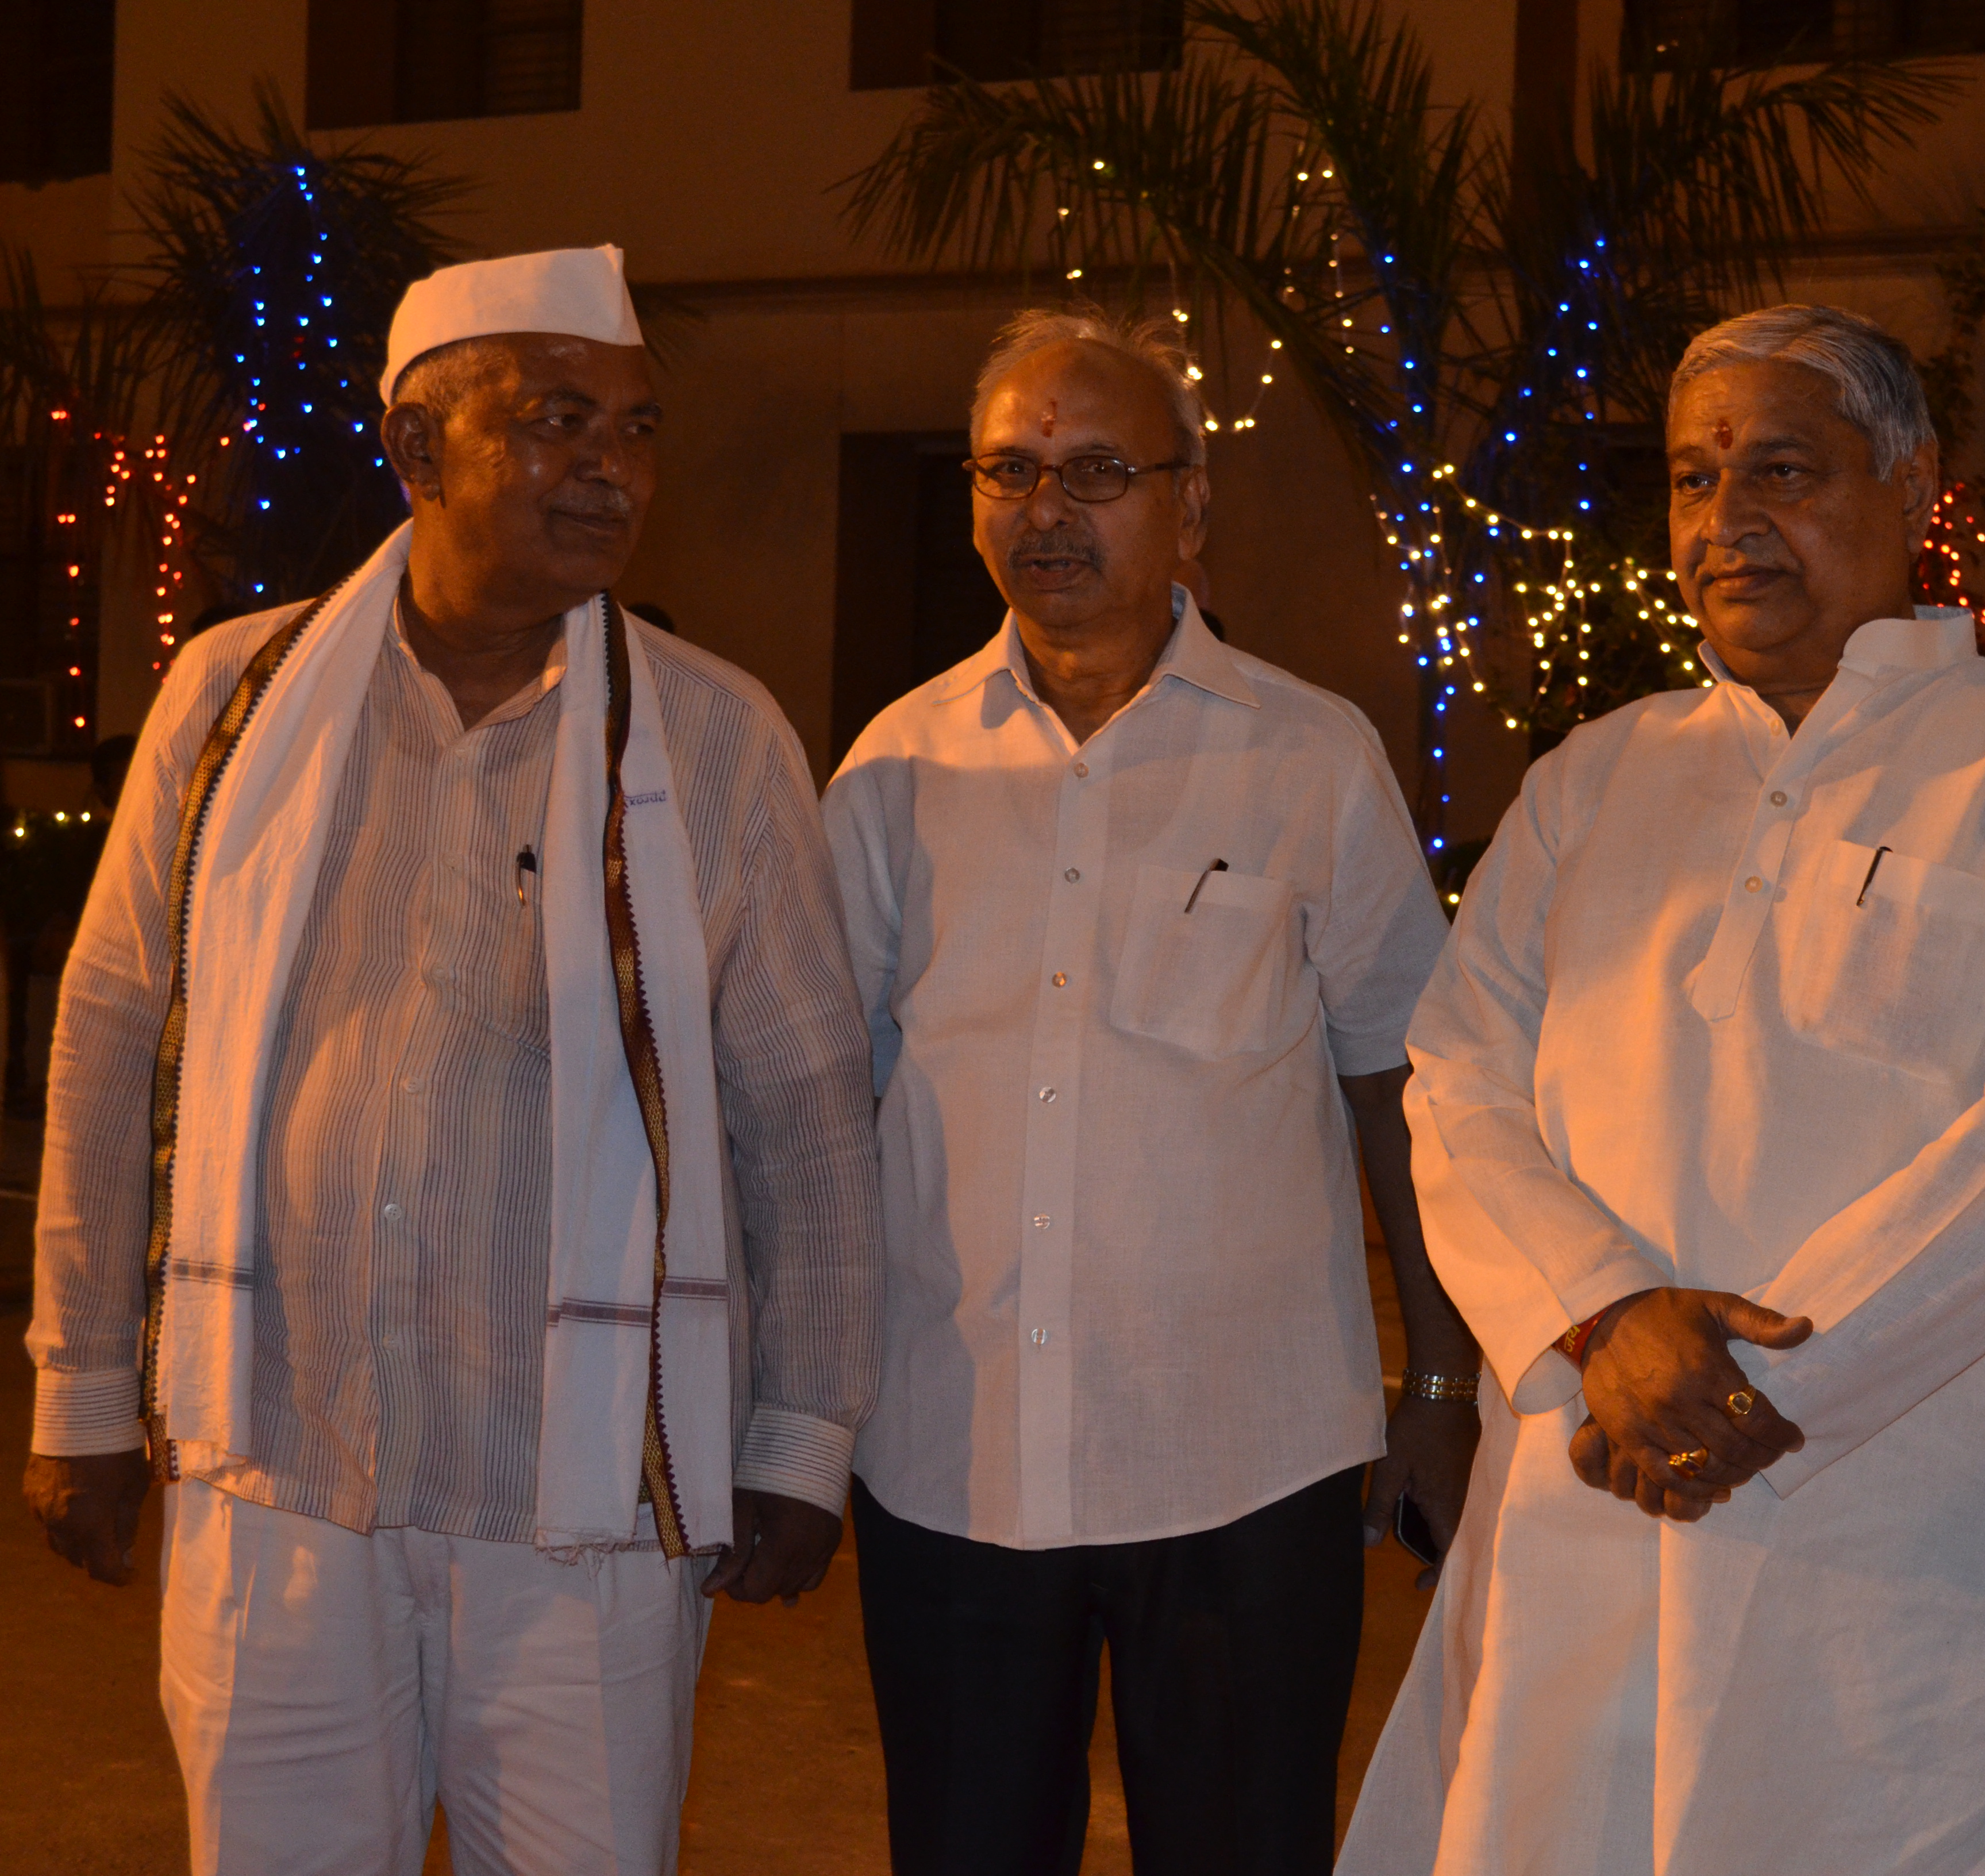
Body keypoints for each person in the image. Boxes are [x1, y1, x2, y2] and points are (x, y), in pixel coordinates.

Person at [20, 246, 883, 1876]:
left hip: (587, 1500)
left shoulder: (711, 738)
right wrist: (79, 1392)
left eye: (638, 429)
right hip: (276, 1471)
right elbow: (116, 1029)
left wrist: (797, 1438)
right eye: (560, 421)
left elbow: (809, 1108)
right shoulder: (235, 701)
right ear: (418, 451)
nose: (613, 469)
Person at [1340, 303, 1985, 1876]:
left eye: (1782, 471)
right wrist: (1600, 1319)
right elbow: (1457, 1082)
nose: (1725, 520)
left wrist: (1745, 1394)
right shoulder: (1593, 777)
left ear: (1912, 484)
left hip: (1905, 1535)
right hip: (1590, 1495)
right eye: (1691, 479)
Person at [821, 306, 1474, 1876]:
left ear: (1191, 507)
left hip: (1244, 1460)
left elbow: (1406, 1088)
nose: (1045, 508)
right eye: (1008, 470)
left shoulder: (1311, 758)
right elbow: (821, 1110)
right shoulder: (895, 772)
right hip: (951, 1455)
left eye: (1098, 471)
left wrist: (1445, 1391)